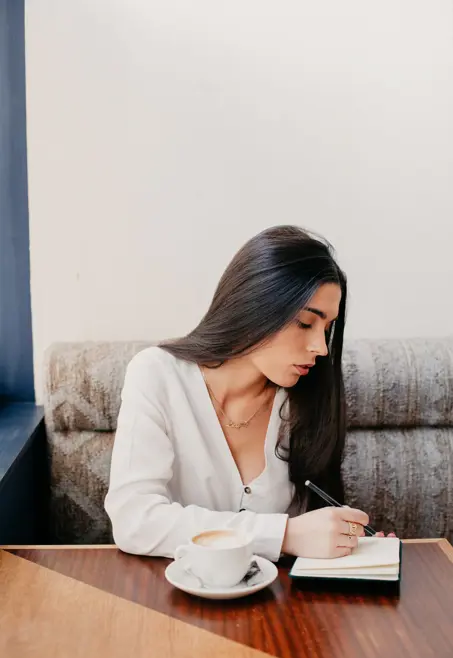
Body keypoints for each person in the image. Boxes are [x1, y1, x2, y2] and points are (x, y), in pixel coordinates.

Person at [105, 225, 394, 562]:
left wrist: (347, 542)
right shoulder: (157, 375)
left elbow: (310, 531)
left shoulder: (307, 399)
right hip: (168, 600)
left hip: (278, 606)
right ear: (255, 306)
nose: (320, 348)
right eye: (305, 323)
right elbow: (135, 521)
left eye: (326, 329)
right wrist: (285, 534)